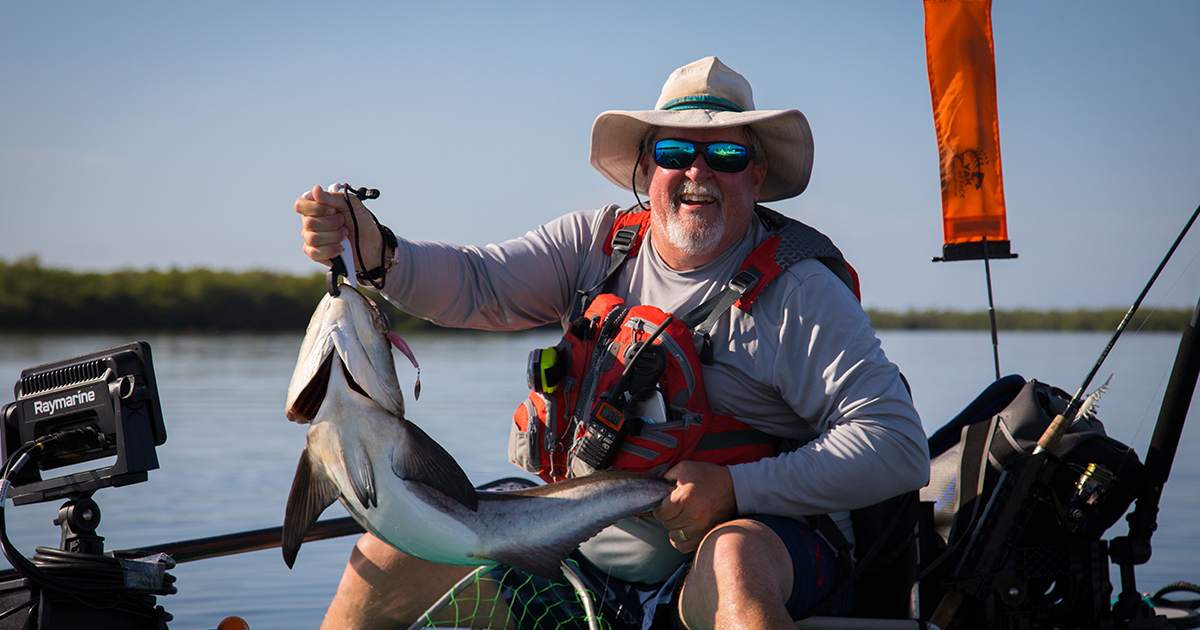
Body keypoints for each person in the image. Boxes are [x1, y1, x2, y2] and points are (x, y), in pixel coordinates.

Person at [294, 57, 929, 630]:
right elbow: (479, 283)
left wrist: (738, 490)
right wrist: (376, 250)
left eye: (726, 156)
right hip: (574, 556)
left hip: (750, 548)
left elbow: (898, 446)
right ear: (647, 167)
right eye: (677, 151)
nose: (697, 173)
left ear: (757, 174)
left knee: (736, 563)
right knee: (383, 555)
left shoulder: (802, 290)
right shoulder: (598, 242)